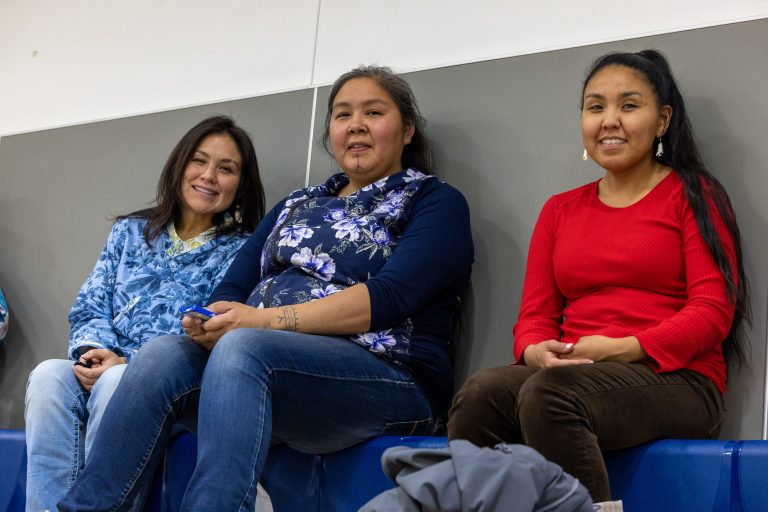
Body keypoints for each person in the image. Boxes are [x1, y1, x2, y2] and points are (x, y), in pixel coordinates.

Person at [58, 65, 474, 511]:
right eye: (342, 114)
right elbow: (232, 288)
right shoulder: (298, 203)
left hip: (389, 380)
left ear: (407, 130)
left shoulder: (434, 201)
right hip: (266, 367)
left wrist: (261, 322)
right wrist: (211, 322)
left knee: (244, 348)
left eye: (373, 112)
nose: (356, 125)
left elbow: (390, 297)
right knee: (162, 355)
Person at [448, 49, 749, 504]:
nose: (610, 120)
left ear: (662, 121)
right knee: (480, 395)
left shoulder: (694, 195)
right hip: (573, 373)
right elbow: (535, 317)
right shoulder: (560, 210)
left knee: (550, 396)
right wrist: (534, 351)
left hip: (679, 379)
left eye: (628, 105)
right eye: (595, 107)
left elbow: (712, 312)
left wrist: (623, 348)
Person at [24, 115, 265, 512]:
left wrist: (126, 363)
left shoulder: (244, 251)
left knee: (117, 381)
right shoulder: (130, 231)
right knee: (48, 375)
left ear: (241, 185)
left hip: (170, 388)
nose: (209, 176)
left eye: (226, 169)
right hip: (103, 363)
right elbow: (90, 304)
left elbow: (211, 334)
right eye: (199, 161)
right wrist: (94, 352)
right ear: (180, 165)